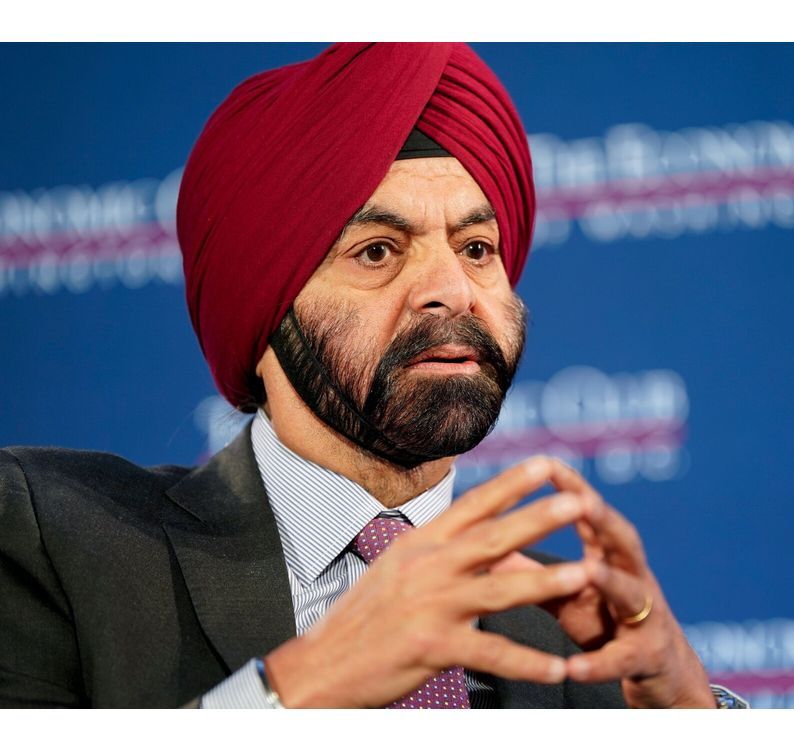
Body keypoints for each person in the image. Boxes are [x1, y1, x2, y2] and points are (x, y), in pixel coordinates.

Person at [0, 43, 741, 709]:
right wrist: (299, 687)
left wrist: (690, 715)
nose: (452, 290)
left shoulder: (584, 637)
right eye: (378, 251)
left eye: (477, 248)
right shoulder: (53, 537)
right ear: (263, 310)